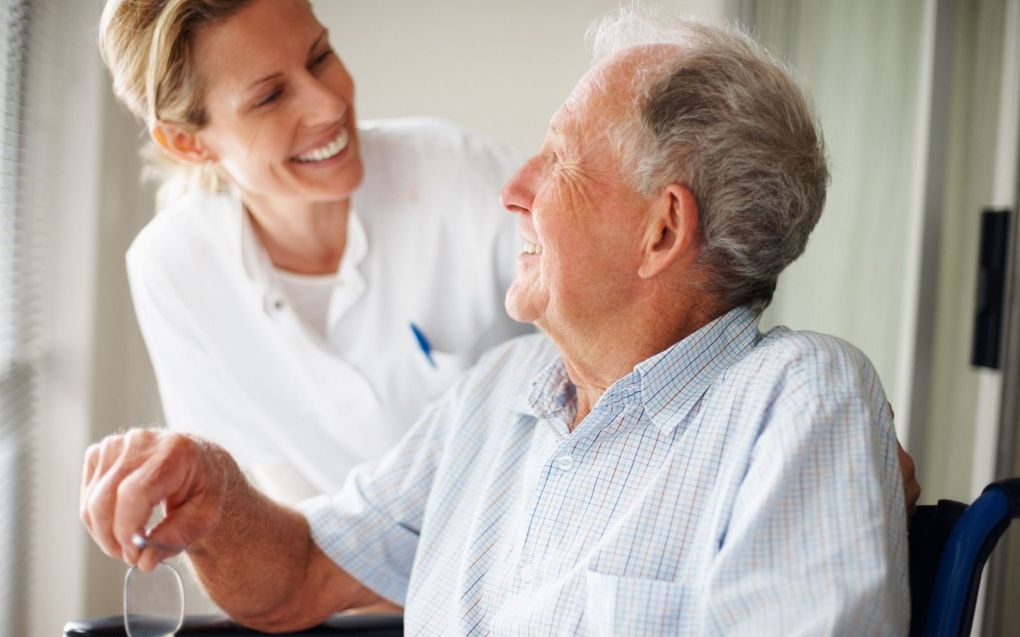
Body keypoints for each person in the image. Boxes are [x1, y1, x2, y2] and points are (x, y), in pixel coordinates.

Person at [82, 9, 912, 634]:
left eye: (558, 159)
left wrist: (849, 448)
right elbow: (300, 569)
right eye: (269, 93)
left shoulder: (797, 402)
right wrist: (217, 501)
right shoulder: (500, 391)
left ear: (661, 230)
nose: (514, 188)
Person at [99, 0, 531, 505]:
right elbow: (253, 502)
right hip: (347, 570)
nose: (329, 104)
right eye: (271, 96)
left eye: (320, 56)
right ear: (187, 143)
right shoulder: (172, 269)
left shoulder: (460, 175)